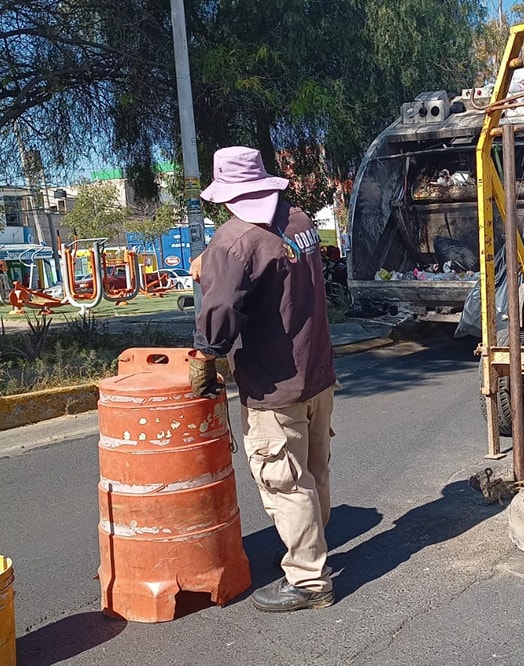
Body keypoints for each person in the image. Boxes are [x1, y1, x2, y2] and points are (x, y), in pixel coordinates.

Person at [189, 146, 338, 612]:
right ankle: (307, 549)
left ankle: (309, 580)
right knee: (313, 471)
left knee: (284, 480)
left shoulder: (233, 241)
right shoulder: (301, 221)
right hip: (317, 372)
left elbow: (219, 316)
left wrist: (207, 356)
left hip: (275, 385)